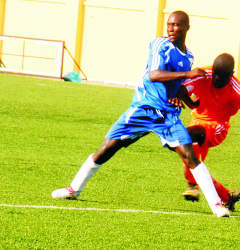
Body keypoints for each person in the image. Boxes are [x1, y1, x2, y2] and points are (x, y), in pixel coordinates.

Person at [51, 11, 230, 218]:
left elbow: (175, 86)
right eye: (169, 24)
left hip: (167, 115)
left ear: (187, 28)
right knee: (106, 149)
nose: (171, 28)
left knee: (189, 154)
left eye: (176, 25)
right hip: (143, 108)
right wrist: (187, 74)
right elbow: (154, 75)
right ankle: (73, 190)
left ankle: (217, 206)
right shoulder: (160, 45)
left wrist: (189, 101)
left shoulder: (188, 56)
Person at [170, 53, 240, 212]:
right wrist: (185, 101)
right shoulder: (204, 75)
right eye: (214, 73)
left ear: (231, 75)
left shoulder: (237, 91)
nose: (215, 78)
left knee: (184, 138)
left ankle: (193, 186)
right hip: (196, 121)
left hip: (217, 128)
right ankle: (227, 196)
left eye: (221, 76)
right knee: (190, 160)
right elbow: (181, 89)